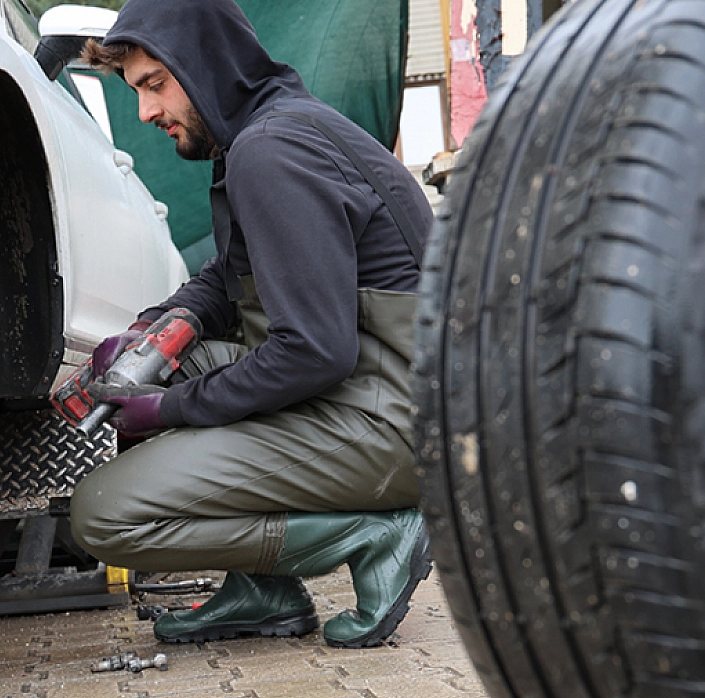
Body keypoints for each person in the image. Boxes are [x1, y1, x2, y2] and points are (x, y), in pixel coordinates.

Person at [69, 0, 435, 649]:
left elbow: (314, 351)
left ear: (203, 63)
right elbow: (228, 273)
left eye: (155, 84)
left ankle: (374, 534)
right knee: (162, 365)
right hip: (382, 392)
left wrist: (169, 408)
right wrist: (154, 332)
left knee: (105, 514)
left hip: (389, 420)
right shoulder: (265, 135)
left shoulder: (270, 153)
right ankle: (262, 588)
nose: (146, 112)